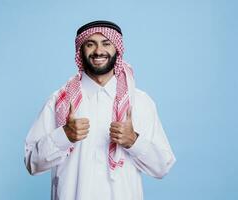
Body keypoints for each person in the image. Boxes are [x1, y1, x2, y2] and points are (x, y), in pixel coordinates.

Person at [24, 20, 176, 200]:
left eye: (106, 43)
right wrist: (64, 136)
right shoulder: (59, 101)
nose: (98, 51)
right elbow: (32, 163)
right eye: (90, 44)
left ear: (117, 49)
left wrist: (133, 141)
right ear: (80, 51)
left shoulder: (140, 102)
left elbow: (162, 167)